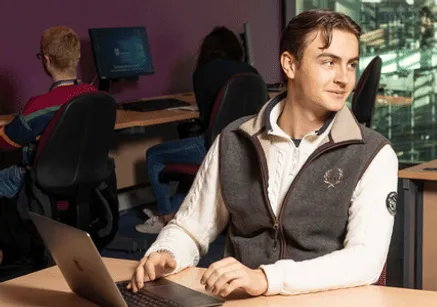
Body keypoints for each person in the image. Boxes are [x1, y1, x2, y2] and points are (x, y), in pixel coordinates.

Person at [127, 9, 398, 298]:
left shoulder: (373, 154)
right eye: (329, 62)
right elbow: (191, 228)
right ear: (289, 65)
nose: (344, 79)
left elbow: (365, 261)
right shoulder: (233, 140)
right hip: (243, 300)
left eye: (351, 64)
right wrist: (166, 252)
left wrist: (267, 279)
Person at [136, 26, 264, 234]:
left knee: (154, 155)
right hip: (245, 148)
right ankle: (178, 215)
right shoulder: (252, 73)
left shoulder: (203, 72)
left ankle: (164, 218)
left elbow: (205, 119)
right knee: (188, 157)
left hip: (214, 147)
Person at [0, 26, 96, 199]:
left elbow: (6, 143)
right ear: (78, 57)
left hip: (38, 178)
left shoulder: (39, 105)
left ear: (47, 59)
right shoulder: (94, 95)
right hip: (82, 175)